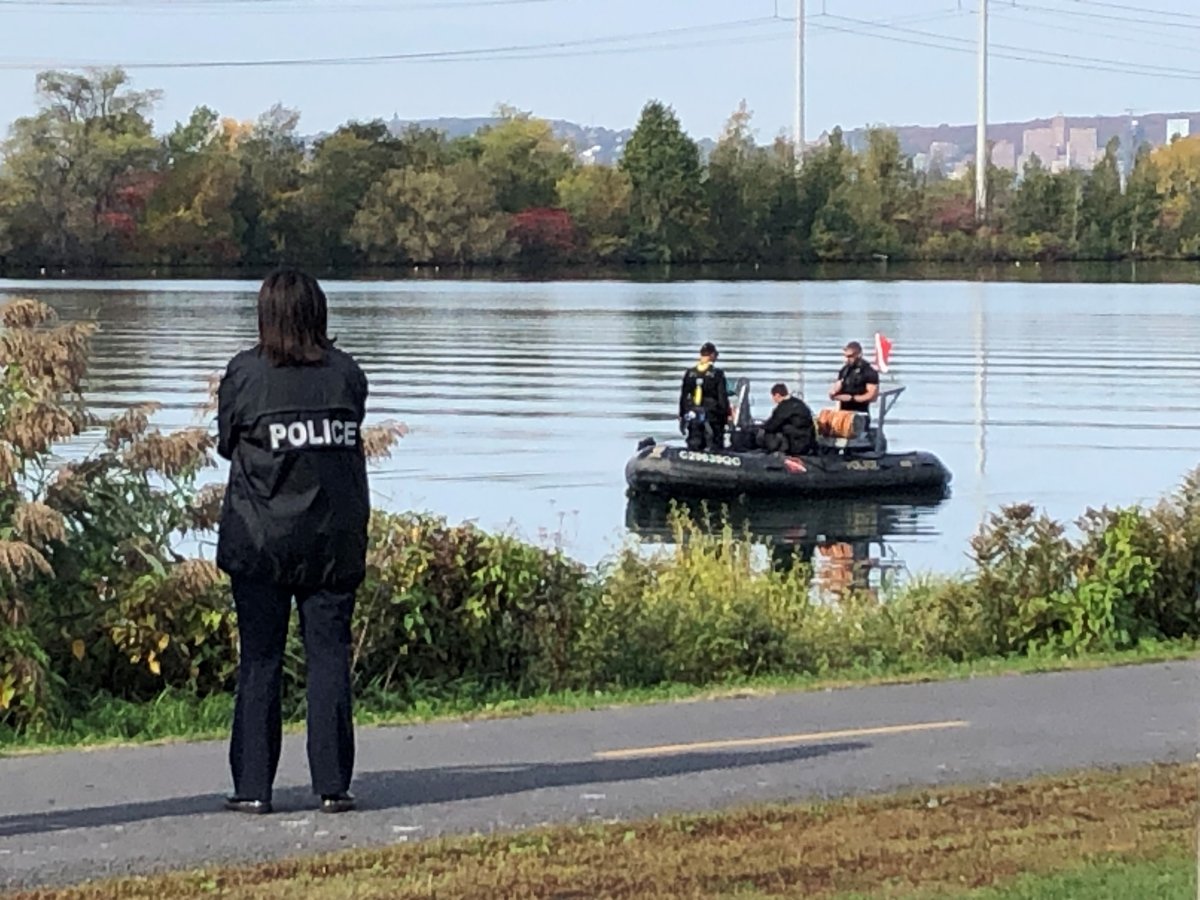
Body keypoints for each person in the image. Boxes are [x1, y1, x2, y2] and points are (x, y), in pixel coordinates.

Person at [216, 267, 370, 816]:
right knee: (328, 658)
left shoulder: (244, 373)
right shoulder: (347, 375)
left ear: (265, 316)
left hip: (259, 539)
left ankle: (253, 788)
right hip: (333, 540)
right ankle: (332, 785)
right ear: (318, 313)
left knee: (259, 659)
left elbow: (226, 444)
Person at [678, 341, 730, 451]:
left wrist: (682, 415)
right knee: (714, 444)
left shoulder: (689, 373)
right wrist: (726, 416)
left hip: (693, 414)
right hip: (712, 416)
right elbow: (722, 398)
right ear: (712, 355)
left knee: (694, 443)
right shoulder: (717, 374)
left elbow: (683, 397)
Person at [756, 383, 817, 456]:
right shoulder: (798, 403)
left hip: (796, 444)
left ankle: (772, 453)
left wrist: (759, 428)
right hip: (808, 441)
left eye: (773, 397)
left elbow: (772, 425)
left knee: (768, 433)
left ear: (777, 395)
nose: (773, 400)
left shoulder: (783, 407)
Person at [829, 340, 880, 422]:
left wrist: (852, 398)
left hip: (861, 415)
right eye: (846, 356)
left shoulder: (869, 372)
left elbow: (872, 397)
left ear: (859, 355)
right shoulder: (844, 370)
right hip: (843, 415)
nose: (847, 359)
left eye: (850, 356)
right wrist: (833, 394)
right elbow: (836, 392)